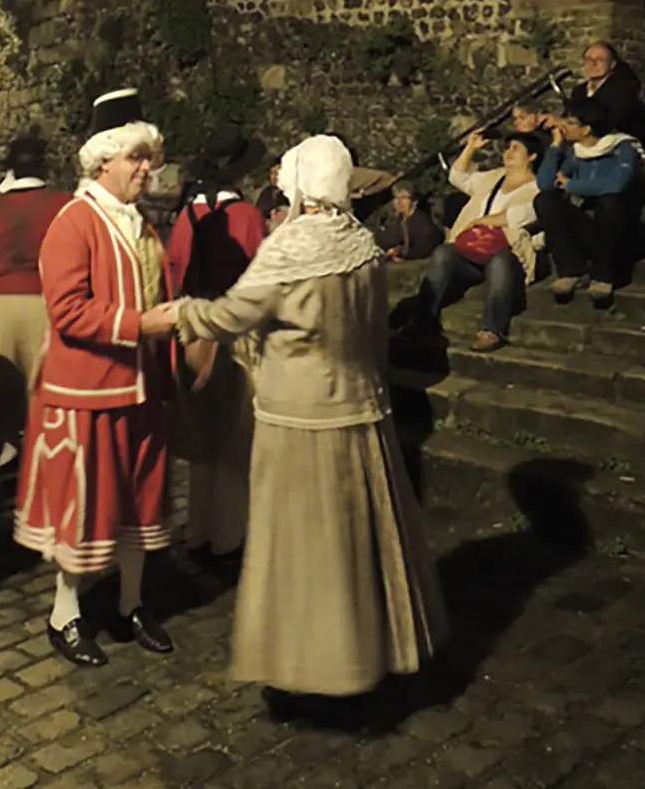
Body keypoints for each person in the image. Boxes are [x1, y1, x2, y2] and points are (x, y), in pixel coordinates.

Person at [143, 134, 446, 714]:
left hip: (299, 415)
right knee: (359, 535)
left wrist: (182, 313)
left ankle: (316, 663)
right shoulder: (359, 241)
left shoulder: (292, 249)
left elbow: (233, 313)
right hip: (360, 407)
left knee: (305, 541)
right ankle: (370, 650)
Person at [15, 88, 176, 668]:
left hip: (140, 387)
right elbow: (68, 311)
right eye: (135, 157)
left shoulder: (141, 225)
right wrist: (143, 323)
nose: (145, 169)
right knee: (82, 509)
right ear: (103, 159)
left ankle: (131, 603)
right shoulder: (73, 223)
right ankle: (65, 614)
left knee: (140, 502)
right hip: (86, 392)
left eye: (148, 157)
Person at [166, 128, 266, 565]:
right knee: (234, 435)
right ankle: (228, 531)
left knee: (200, 432)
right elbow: (261, 276)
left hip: (193, 325)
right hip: (235, 329)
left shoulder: (186, 218)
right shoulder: (246, 216)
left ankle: (197, 527)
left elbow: (174, 274)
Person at [0, 137, 71, 462]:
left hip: (8, 303)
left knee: (8, 378)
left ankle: (10, 443)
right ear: (44, 166)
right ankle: (51, 446)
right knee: (48, 378)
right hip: (52, 300)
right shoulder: (64, 204)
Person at [404, 132, 543, 352]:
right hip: (474, 247)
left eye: (516, 148)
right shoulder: (494, 177)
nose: (509, 152)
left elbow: (523, 215)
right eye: (507, 148)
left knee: (500, 262)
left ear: (532, 156)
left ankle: (492, 329)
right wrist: (470, 148)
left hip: (505, 250)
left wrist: (484, 221)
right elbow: (458, 176)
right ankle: (422, 319)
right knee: (444, 253)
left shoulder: (537, 187)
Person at [535, 98, 643, 305]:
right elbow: (546, 184)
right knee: (545, 200)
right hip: (586, 224)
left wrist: (572, 186)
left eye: (570, 123)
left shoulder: (622, 148)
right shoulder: (574, 152)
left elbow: (617, 184)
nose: (563, 126)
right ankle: (570, 271)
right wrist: (555, 147)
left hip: (616, 228)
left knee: (609, 201)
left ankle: (603, 276)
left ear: (586, 130)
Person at [568, 42, 645, 151]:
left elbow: (612, 123)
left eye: (600, 60)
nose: (593, 64)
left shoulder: (624, 88)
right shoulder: (578, 91)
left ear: (612, 65)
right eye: (588, 59)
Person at [374, 179, 444, 262]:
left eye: (403, 198)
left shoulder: (419, 222)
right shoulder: (399, 218)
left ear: (414, 202)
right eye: (396, 198)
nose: (399, 202)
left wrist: (400, 253)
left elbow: (386, 239)